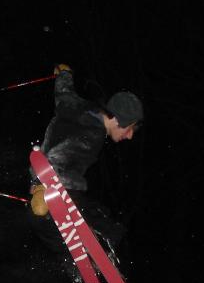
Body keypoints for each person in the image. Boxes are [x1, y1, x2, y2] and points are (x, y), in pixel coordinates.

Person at [28, 63, 143, 262]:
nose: (130, 136)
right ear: (118, 119)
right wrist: (45, 187)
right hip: (61, 191)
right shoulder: (93, 134)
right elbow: (61, 155)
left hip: (49, 191)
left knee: (43, 224)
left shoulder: (78, 107)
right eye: (130, 128)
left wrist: (64, 75)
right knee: (106, 224)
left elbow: (64, 94)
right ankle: (100, 253)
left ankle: (75, 262)